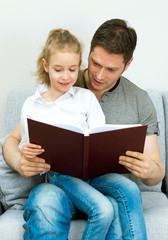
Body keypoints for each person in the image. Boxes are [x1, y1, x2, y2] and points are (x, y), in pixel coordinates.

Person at [2, 18, 165, 239]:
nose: (99, 75)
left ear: (127, 65)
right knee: (44, 202)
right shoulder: (64, 81)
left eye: (111, 69)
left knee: (124, 195)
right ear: (87, 56)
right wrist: (20, 163)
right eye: (95, 63)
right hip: (60, 185)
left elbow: (157, 172)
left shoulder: (139, 100)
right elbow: (13, 140)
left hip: (102, 186)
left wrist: (151, 171)